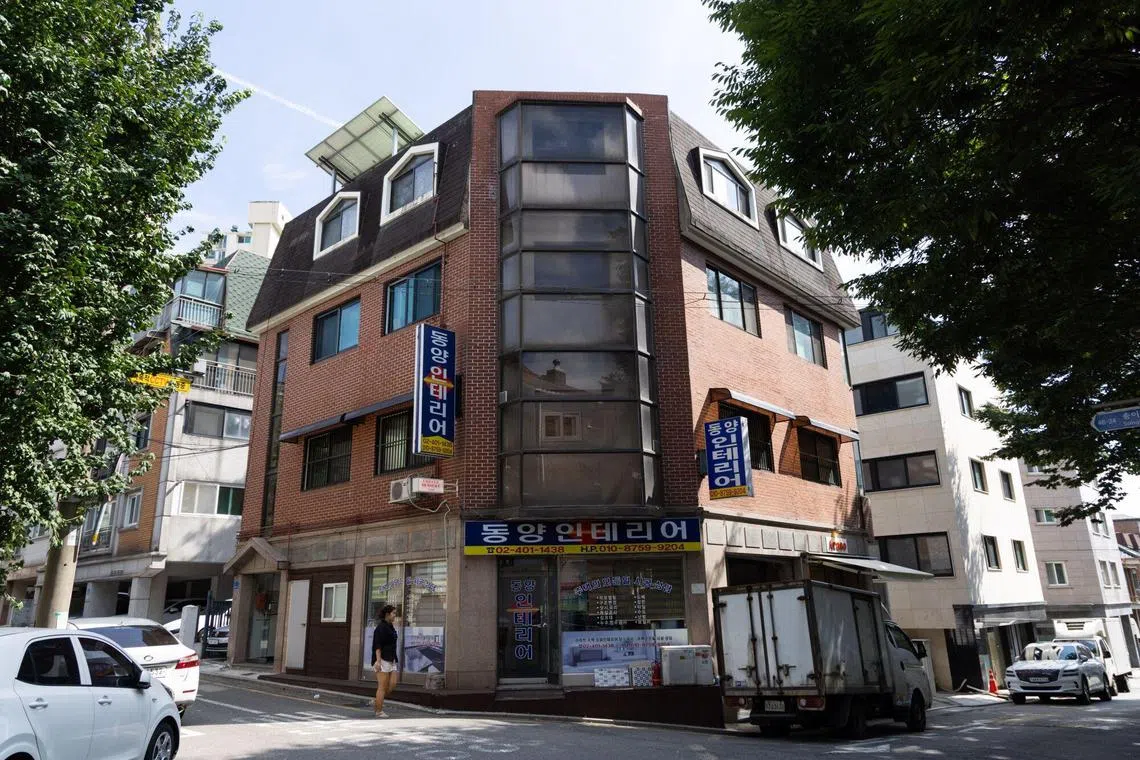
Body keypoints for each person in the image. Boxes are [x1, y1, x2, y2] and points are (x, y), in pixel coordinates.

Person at [372, 604, 399, 717]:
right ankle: (378, 711)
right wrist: (378, 661)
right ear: (387, 614)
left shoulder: (391, 626)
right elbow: (377, 645)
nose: (395, 616)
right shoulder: (381, 627)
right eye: (393, 613)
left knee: (392, 684)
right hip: (382, 659)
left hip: (392, 659)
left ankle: (377, 700)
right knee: (382, 687)